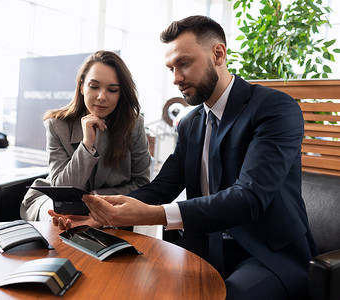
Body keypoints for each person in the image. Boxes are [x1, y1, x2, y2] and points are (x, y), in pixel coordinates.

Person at [50, 16, 317, 299]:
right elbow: (162, 186)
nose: (176, 78)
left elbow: (249, 197)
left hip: (268, 253)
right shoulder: (191, 123)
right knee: (134, 284)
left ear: (218, 54)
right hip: (207, 244)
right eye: (171, 68)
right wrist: (100, 214)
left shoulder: (274, 108)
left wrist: (155, 215)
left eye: (184, 63)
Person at [20, 50, 151, 221]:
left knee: (83, 223)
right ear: (82, 87)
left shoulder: (134, 125)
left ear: (121, 94)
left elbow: (142, 184)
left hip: (105, 205)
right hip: (54, 202)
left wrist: (95, 198)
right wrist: (87, 145)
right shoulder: (57, 125)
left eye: (112, 90)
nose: (101, 97)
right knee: (60, 218)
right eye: (94, 86)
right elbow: (61, 190)